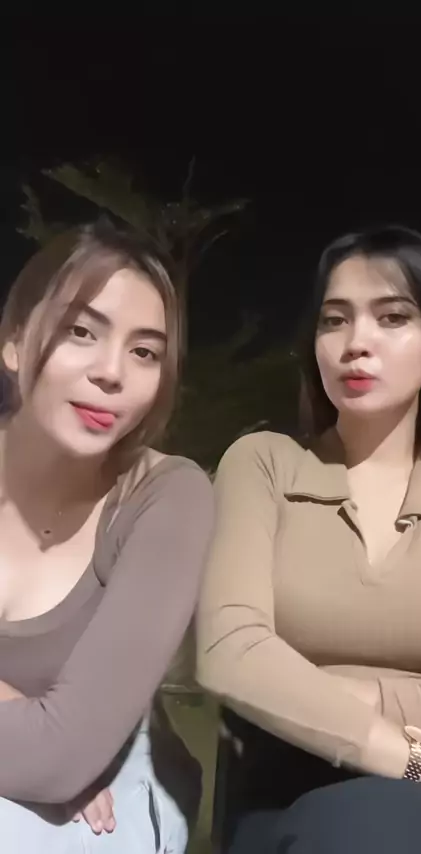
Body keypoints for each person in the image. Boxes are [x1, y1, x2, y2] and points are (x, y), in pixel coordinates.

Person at [197, 225, 421, 853]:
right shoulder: (262, 464)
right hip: (295, 786)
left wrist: (338, 692)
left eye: (393, 317)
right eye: (335, 320)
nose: (357, 343)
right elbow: (230, 653)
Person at [0, 219, 214, 853]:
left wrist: (48, 751)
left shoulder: (165, 496)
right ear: (14, 341)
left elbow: (60, 758)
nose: (112, 372)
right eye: (81, 331)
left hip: (104, 795)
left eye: (145, 352)